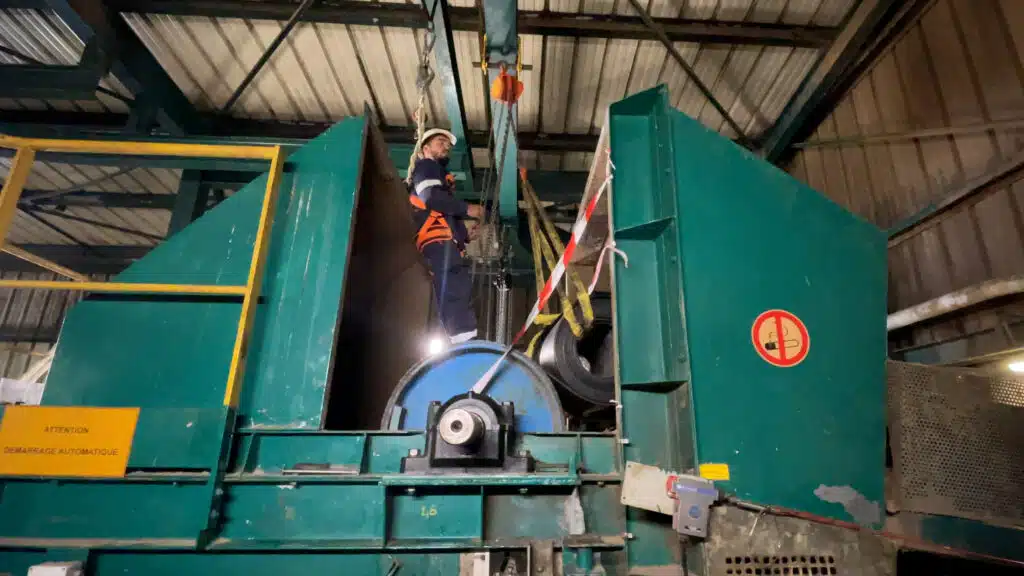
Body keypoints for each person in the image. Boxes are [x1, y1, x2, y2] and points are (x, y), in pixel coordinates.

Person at [408, 128, 484, 344]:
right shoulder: (426, 166)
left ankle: (459, 340)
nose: (446, 148)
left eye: (448, 145)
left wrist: (465, 236)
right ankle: (464, 343)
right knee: (454, 285)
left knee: (453, 286)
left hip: (440, 238)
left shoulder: (437, 175)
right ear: (425, 148)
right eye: (441, 142)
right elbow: (431, 198)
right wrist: (468, 209)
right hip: (436, 239)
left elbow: (441, 210)